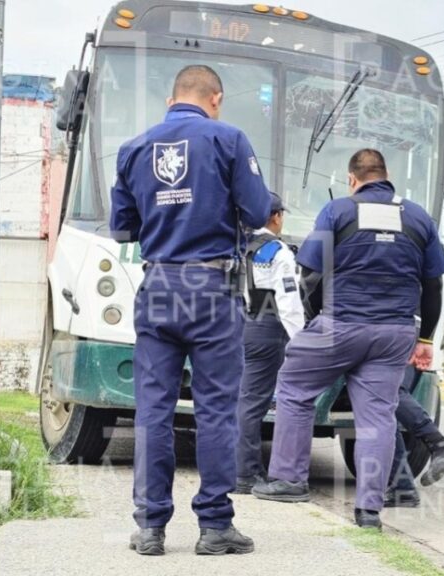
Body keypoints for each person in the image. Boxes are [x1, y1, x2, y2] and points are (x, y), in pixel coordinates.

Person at [110, 64, 271, 556]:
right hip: (211, 287)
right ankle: (215, 526)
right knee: (216, 409)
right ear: (215, 98)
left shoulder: (134, 148)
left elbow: (122, 228)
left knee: (153, 411)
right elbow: (260, 211)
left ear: (171, 99)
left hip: (158, 284)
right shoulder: (229, 139)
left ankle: (151, 528)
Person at [253, 149, 444, 531]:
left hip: (340, 324)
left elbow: (309, 273)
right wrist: (424, 336)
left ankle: (289, 479)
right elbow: (434, 284)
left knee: (294, 386)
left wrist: (314, 320)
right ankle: (369, 511)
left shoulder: (339, 211)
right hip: (396, 333)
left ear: (352, 179)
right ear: (386, 176)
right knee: (377, 416)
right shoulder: (418, 217)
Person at [234, 192, 305, 493]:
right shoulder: (278, 251)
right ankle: (246, 474)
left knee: (241, 398)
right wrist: (301, 341)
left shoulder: (238, 246)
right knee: (253, 402)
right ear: (275, 217)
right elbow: (288, 301)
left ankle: (241, 468)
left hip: (238, 327)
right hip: (267, 329)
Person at [384, 366, 444, 508]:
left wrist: (424, 342)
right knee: (382, 411)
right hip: (384, 352)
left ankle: (440, 444)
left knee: (389, 392)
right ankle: (402, 488)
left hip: (400, 351)